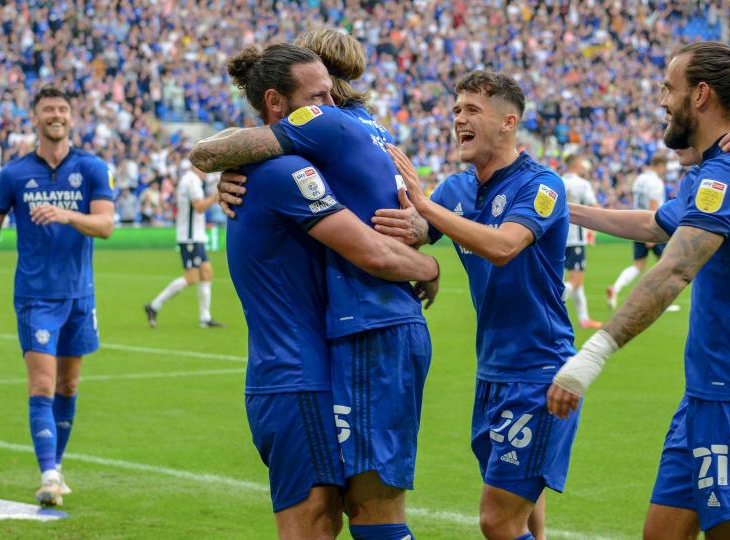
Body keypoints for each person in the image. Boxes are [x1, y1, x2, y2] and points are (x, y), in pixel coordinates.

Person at [547, 41, 730, 538]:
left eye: (669, 88)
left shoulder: (728, 174)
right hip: (722, 389)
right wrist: (564, 210)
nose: (662, 99)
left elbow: (675, 269)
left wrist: (590, 355)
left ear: (700, 95)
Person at [191, 30, 435, 539]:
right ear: (276, 102)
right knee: (326, 526)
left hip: (317, 366)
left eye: (331, 93)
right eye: (317, 97)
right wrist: (430, 267)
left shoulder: (291, 159)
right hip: (295, 376)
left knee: (352, 517)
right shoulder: (288, 169)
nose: (329, 106)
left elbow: (213, 151)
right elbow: (370, 250)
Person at [383, 70, 579, 540]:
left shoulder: (542, 184)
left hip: (538, 369)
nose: (459, 119)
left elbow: (504, 245)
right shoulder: (456, 189)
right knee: (517, 501)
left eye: (472, 110)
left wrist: (428, 209)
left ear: (508, 122)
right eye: (456, 110)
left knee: (496, 521)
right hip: (492, 369)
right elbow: (412, 231)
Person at [0, 87, 115, 506]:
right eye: (48, 110)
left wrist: (66, 215)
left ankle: (55, 469)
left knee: (69, 384)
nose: (56, 115)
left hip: (80, 296)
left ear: (71, 118)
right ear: (35, 119)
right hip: (35, 297)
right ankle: (48, 473)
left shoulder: (92, 167)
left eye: (62, 109)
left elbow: (106, 225)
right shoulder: (14, 174)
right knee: (42, 384)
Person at [144, 162, 223, 329]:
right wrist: (216, 196)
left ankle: (205, 318)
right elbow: (199, 207)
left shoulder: (192, 179)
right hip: (189, 237)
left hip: (196, 236)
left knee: (207, 272)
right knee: (191, 278)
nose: (207, 172)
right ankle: (154, 305)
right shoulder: (191, 180)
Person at [606, 154, 667, 310]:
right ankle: (656, 299)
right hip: (652, 226)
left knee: (638, 265)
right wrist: (653, 233)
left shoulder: (639, 179)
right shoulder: (655, 182)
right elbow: (654, 205)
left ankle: (616, 288)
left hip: (637, 224)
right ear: (660, 165)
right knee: (665, 264)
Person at [560, 154, 601, 329]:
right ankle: (549, 302)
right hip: (575, 238)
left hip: (559, 237)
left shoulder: (558, 181)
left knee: (577, 281)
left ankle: (584, 318)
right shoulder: (582, 184)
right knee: (575, 280)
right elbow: (594, 207)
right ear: (577, 164)